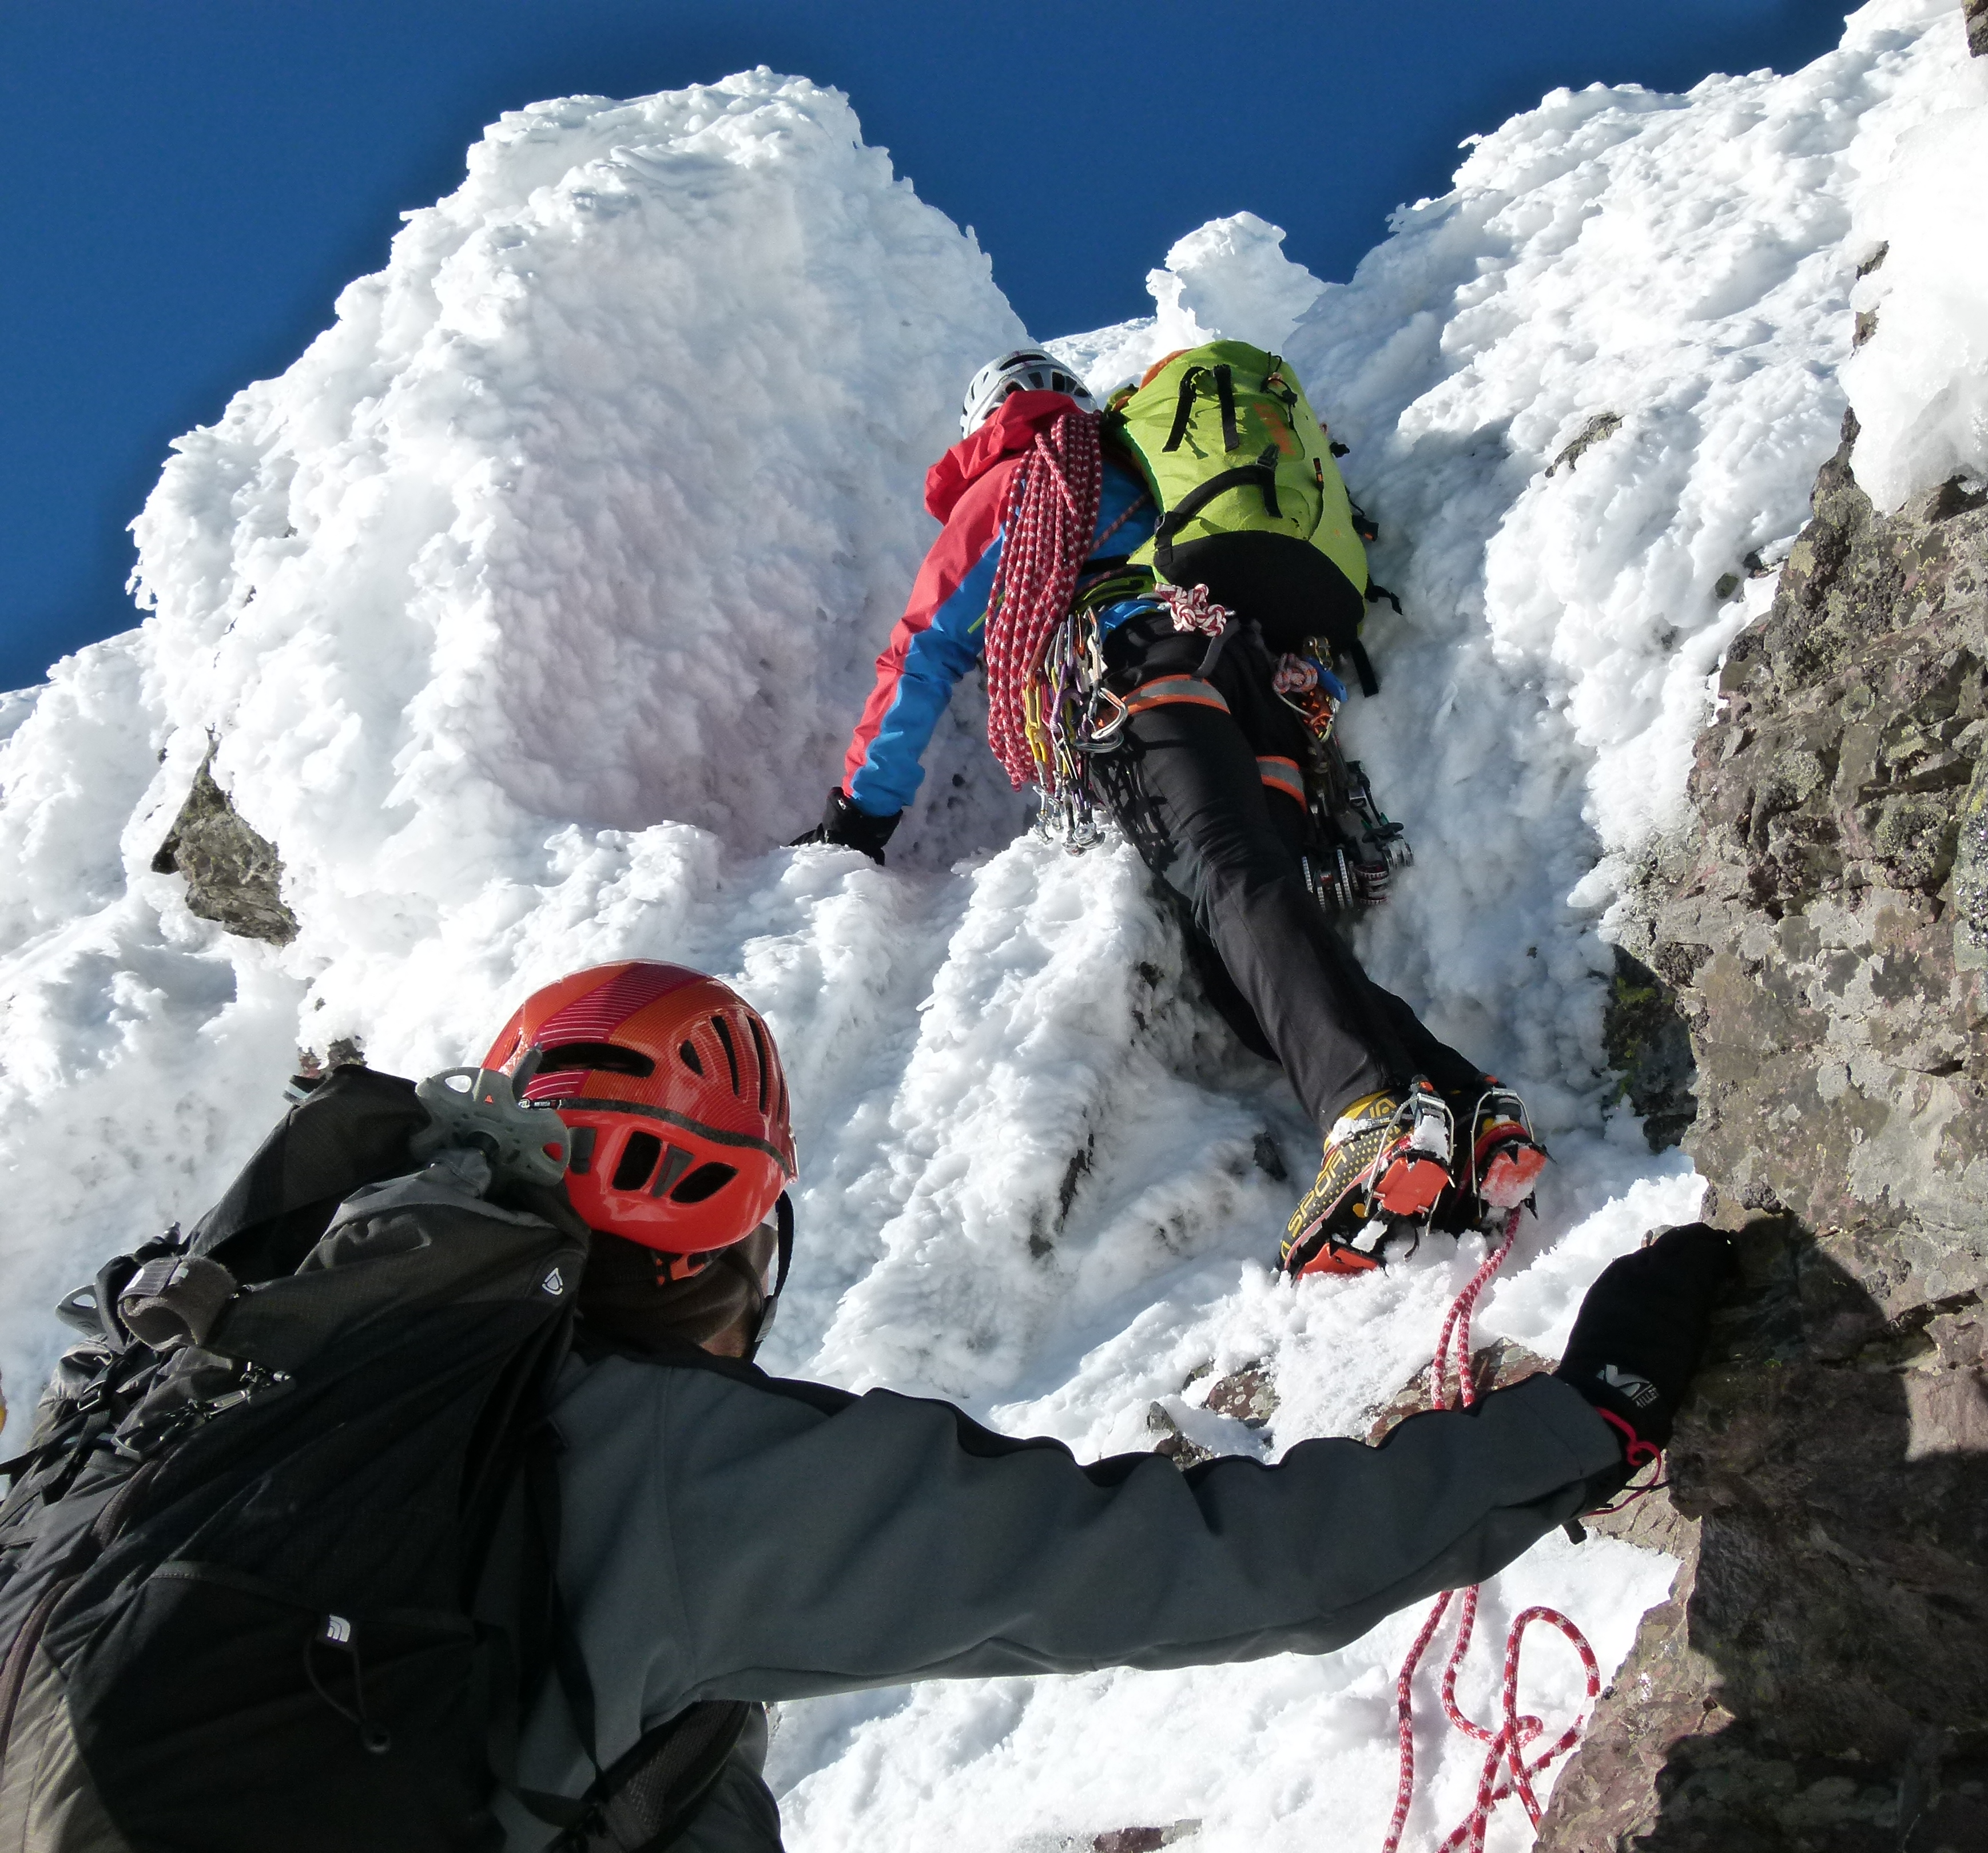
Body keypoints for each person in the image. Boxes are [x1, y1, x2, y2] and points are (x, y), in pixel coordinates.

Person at [0, 961, 1732, 1853]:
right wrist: (1587, 1420)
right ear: (731, 1232)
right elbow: (1201, 1564)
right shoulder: (672, 1465)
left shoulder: (247, 1357)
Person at [806, 347, 1548, 1277]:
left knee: (1229, 881)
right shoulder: (1149, 463)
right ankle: (1465, 1112)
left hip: (1144, 675)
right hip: (1255, 687)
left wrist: (858, 818)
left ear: (989, 418)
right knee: (1240, 939)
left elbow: (922, 653)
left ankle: (1368, 1117)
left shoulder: (1017, 483)